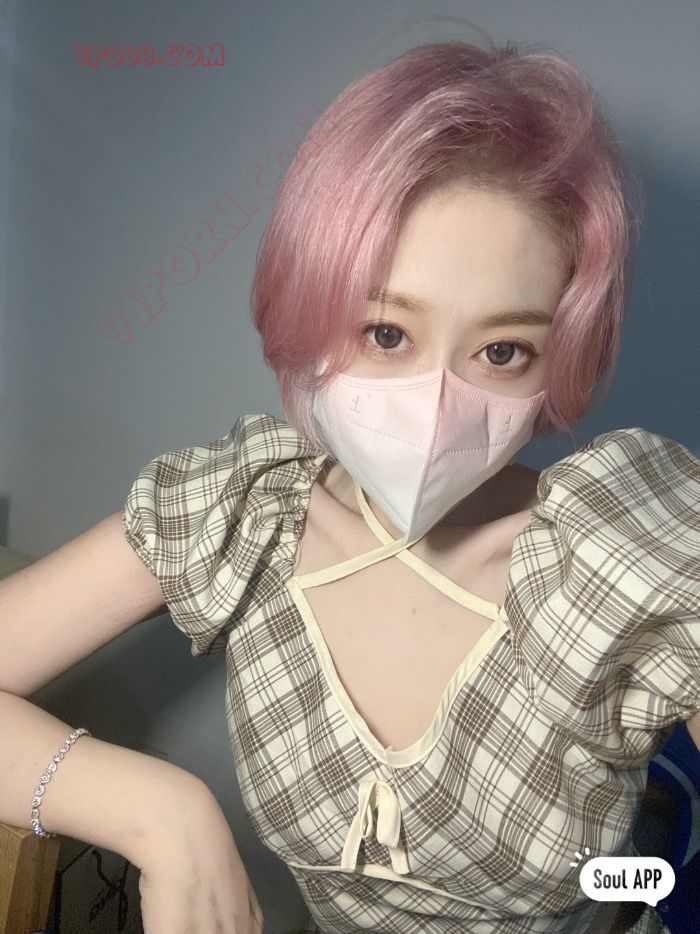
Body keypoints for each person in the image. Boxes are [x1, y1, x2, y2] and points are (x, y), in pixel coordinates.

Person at [1, 36, 698, 934]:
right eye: (388, 334)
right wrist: (160, 816)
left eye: (501, 351)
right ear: (312, 313)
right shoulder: (242, 514)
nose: (437, 407)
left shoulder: (623, 559)